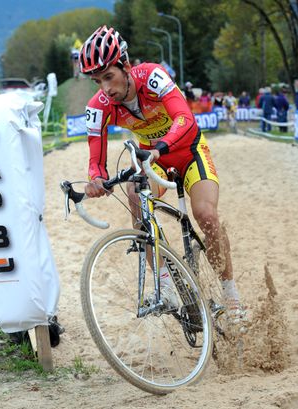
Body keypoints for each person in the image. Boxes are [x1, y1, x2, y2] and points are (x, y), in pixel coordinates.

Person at [79, 25, 245, 321]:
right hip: (152, 157)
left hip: (188, 149)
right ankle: (166, 284)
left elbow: (185, 117)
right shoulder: (100, 105)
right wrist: (97, 180)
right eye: (97, 81)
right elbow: (96, 158)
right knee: (134, 194)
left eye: (109, 77)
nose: (105, 88)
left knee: (205, 214)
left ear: (125, 66)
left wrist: (161, 146)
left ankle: (230, 293)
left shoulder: (152, 76)